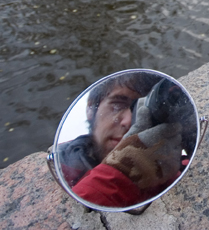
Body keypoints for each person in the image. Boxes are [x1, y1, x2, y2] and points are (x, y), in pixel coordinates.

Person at [57, 72, 185, 208]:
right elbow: (71, 213)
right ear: (91, 108)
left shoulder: (177, 166)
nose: (128, 121)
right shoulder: (60, 169)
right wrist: (124, 171)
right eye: (117, 105)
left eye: (142, 108)